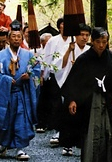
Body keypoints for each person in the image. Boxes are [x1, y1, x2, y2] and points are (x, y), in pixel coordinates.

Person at [61, 27, 112, 162]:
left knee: (110, 131)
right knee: (91, 132)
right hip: (90, 102)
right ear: (92, 41)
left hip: (108, 101)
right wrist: (72, 100)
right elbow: (74, 81)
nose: (101, 45)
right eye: (98, 41)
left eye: (104, 42)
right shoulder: (84, 59)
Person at [0, 20, 40, 161]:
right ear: (9, 39)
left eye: (19, 37)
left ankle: (20, 149)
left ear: (22, 38)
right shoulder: (0, 56)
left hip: (22, 93)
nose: (16, 39)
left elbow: (36, 70)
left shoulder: (28, 55)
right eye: (14, 36)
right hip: (5, 94)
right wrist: (6, 80)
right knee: (5, 121)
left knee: (22, 120)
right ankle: (2, 145)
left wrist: (30, 75)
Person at [55, 23, 91, 156]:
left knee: (84, 117)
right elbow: (61, 65)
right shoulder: (69, 47)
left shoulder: (89, 50)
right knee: (69, 116)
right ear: (76, 35)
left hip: (85, 87)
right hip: (71, 85)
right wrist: (69, 52)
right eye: (82, 34)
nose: (84, 38)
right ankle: (67, 145)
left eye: (87, 35)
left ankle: (83, 144)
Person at [41, 17, 71, 146]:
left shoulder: (74, 40)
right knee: (56, 104)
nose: (65, 27)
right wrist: (44, 73)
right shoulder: (53, 40)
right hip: (55, 74)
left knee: (69, 103)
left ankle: (70, 132)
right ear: (59, 27)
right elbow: (47, 58)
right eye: (63, 24)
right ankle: (58, 131)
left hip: (70, 75)